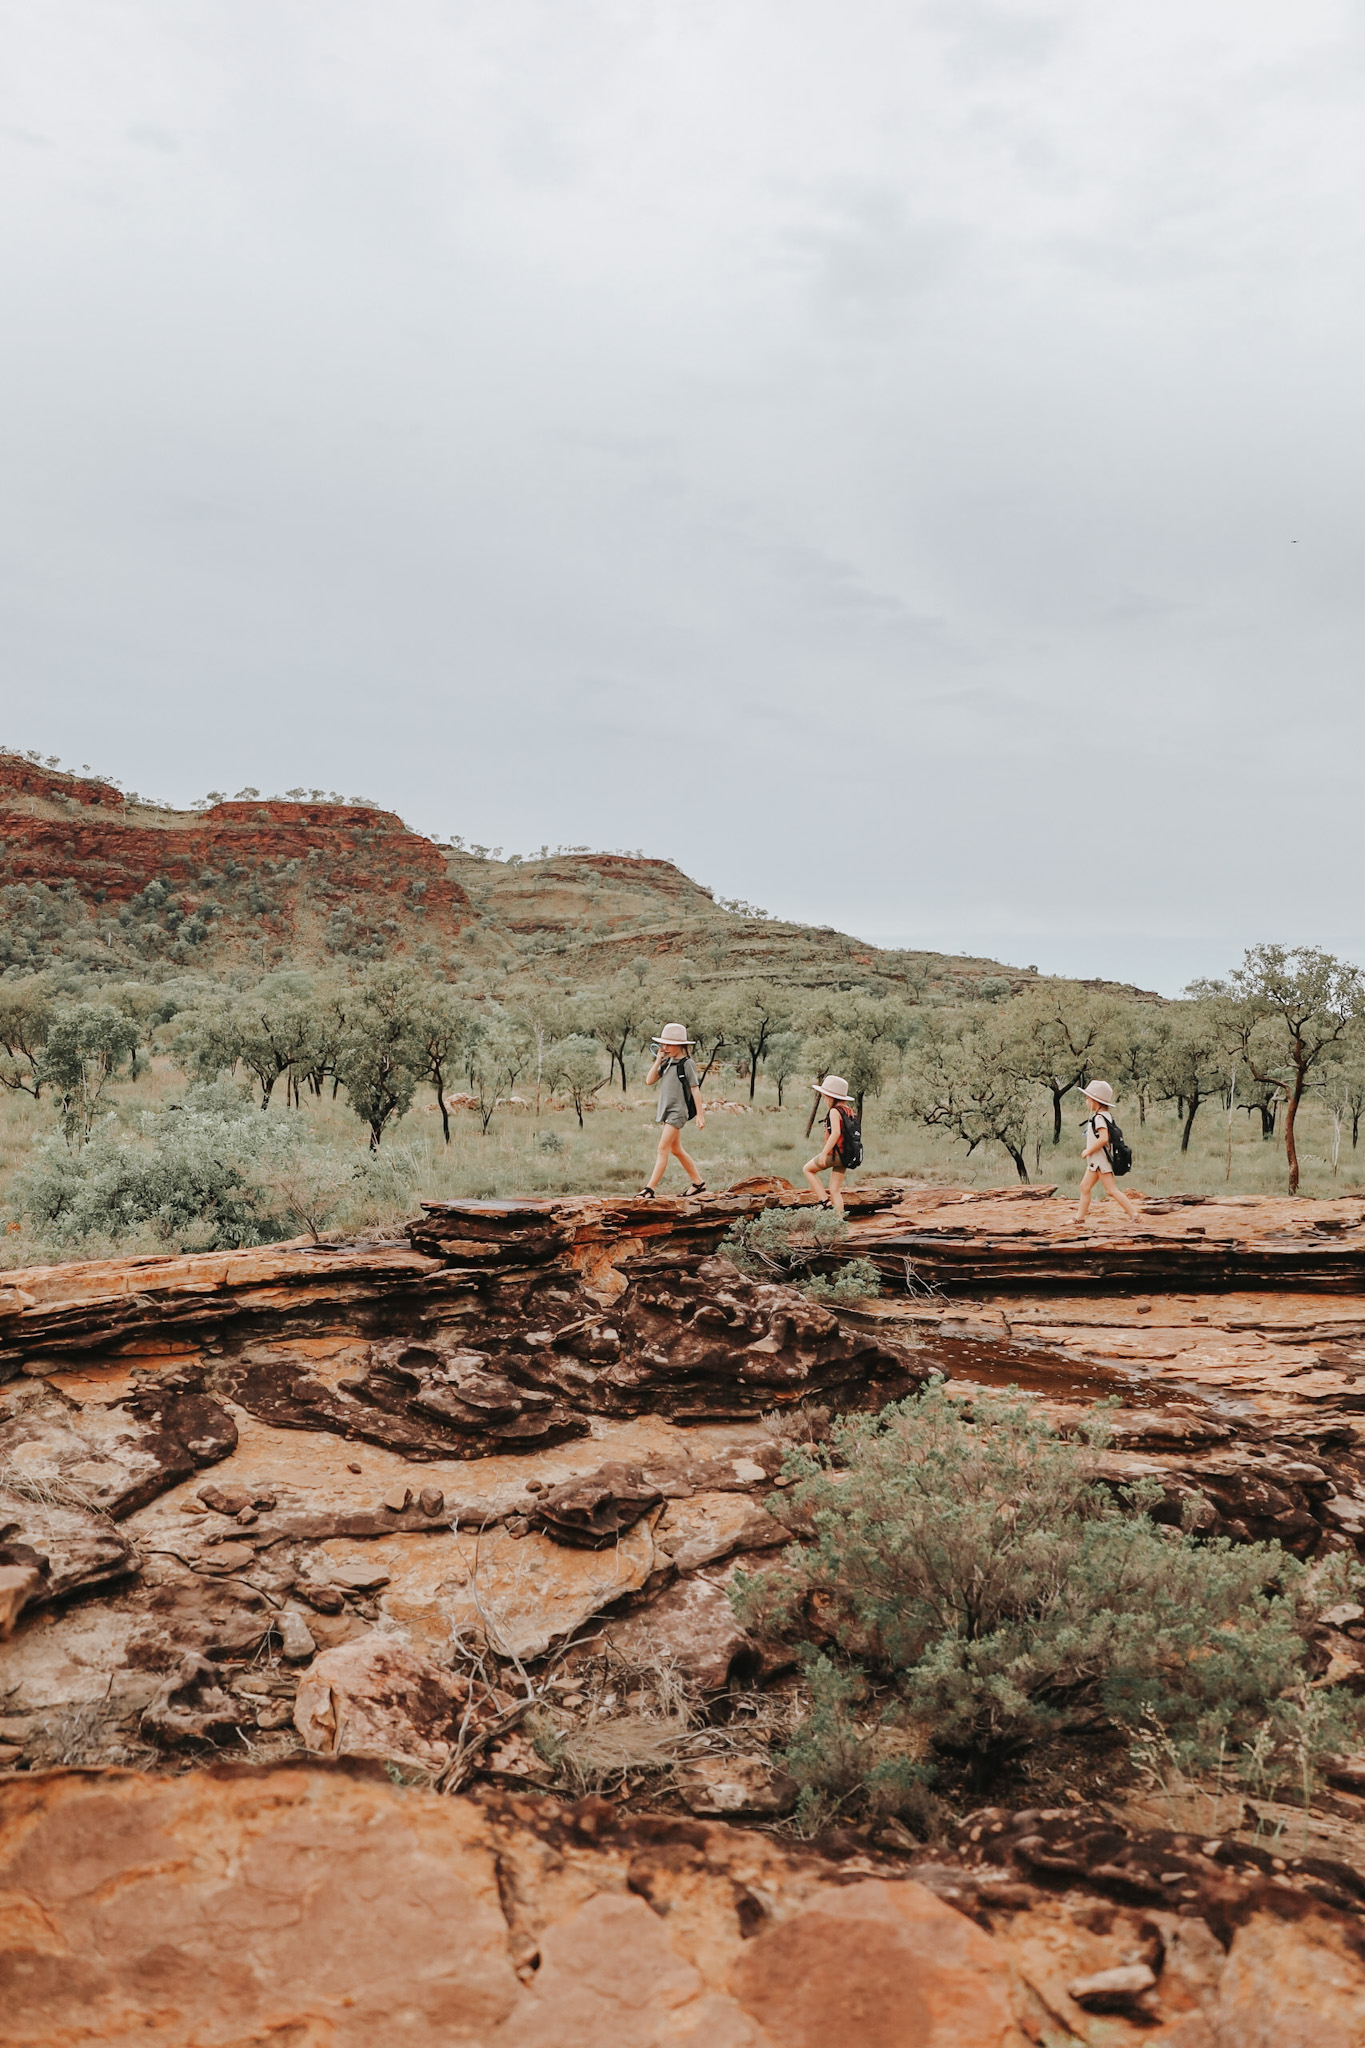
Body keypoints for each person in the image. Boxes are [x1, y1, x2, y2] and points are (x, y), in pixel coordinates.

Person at [639, 1024, 706, 1197]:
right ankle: (698, 1183)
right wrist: (657, 1061)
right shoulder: (667, 1062)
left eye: (669, 1044)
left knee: (662, 1148)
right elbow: (649, 1080)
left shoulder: (687, 1064)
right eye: (663, 1044)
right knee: (676, 1150)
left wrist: (700, 1114)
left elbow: (695, 1089)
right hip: (666, 1111)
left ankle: (650, 1189)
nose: (665, 1048)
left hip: (678, 1112)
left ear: (681, 1045)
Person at [1075, 1080, 1142, 1226]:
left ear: (1096, 1102)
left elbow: (1104, 1139)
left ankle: (1135, 1215)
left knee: (1111, 1190)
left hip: (1100, 1161)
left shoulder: (1099, 1118)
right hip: (1095, 1161)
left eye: (1088, 1099)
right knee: (1084, 1187)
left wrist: (1088, 1151)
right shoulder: (1106, 1116)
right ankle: (1079, 1218)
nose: (1086, 1101)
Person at [803, 1075, 858, 1214]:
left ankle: (824, 1201)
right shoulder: (849, 1111)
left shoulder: (834, 1111)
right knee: (834, 1189)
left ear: (832, 1097)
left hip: (835, 1154)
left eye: (826, 1097)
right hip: (847, 1154)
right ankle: (839, 1222)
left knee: (807, 1170)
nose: (825, 1100)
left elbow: (836, 1133)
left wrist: (824, 1153)